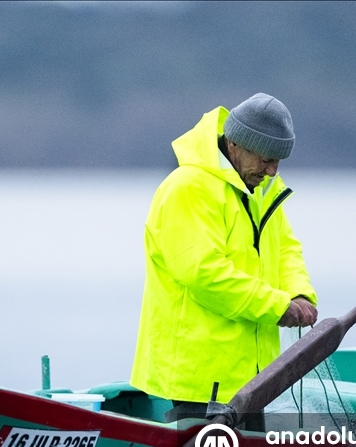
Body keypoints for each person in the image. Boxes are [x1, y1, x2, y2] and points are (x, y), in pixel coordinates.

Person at [130, 93, 318, 415]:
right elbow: (204, 273)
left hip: (253, 378)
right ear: (236, 143)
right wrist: (277, 306)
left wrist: (299, 294)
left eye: (278, 161)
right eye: (266, 158)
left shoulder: (260, 190)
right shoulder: (188, 188)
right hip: (199, 380)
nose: (272, 171)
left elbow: (286, 248)